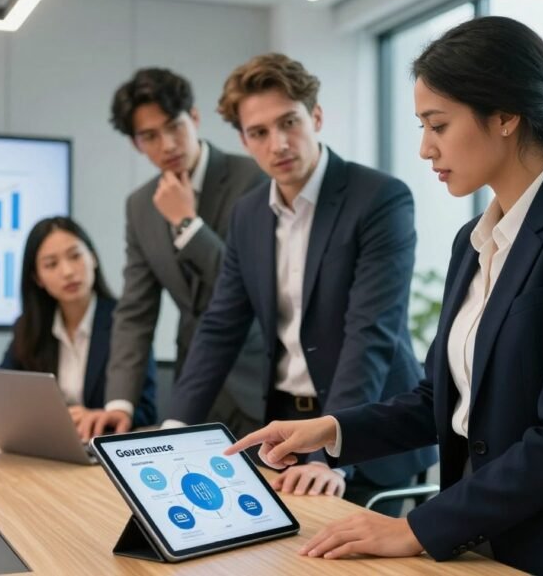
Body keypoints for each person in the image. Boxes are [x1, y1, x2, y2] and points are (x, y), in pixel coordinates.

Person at [227, 17, 543, 575]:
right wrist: (332, 429)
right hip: (487, 540)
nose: (424, 148)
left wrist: (416, 526)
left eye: (437, 125)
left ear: (507, 115)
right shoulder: (476, 240)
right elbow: (440, 399)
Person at [165, 53, 436, 514]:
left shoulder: (379, 199)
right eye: (259, 133)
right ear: (244, 141)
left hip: (366, 430)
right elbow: (221, 327)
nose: (278, 144)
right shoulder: (248, 214)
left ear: (315, 116)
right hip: (285, 431)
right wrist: (173, 429)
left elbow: (369, 332)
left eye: (289, 122)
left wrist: (333, 452)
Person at [86, 67, 269, 438]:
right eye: (149, 136)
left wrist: (187, 224)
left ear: (195, 118)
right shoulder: (141, 205)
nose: (167, 145)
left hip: (261, 382)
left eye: (174, 126)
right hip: (196, 390)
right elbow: (135, 311)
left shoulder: (254, 179)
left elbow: (252, 287)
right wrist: (120, 402)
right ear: (135, 143)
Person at [0, 216, 157, 438]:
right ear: (37, 278)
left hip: (99, 451)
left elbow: (146, 411)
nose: (67, 271)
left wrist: (99, 417)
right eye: (51, 264)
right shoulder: (30, 328)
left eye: (75, 256)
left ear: (93, 258)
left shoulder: (126, 323)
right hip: (49, 451)